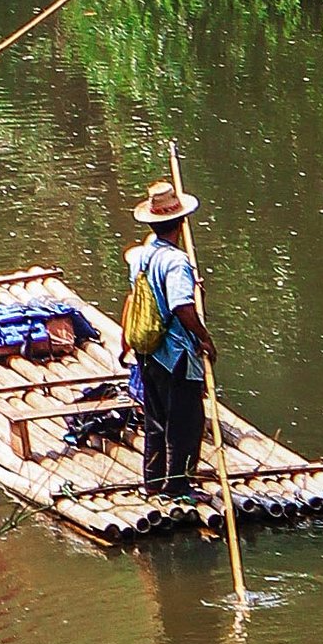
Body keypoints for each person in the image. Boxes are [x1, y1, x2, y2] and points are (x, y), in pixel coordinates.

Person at [123, 175, 209, 494]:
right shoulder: (176, 262)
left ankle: (154, 482)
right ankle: (178, 485)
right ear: (181, 222)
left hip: (148, 351)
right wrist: (204, 338)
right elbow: (182, 307)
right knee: (187, 422)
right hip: (175, 354)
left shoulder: (141, 255)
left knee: (156, 419)